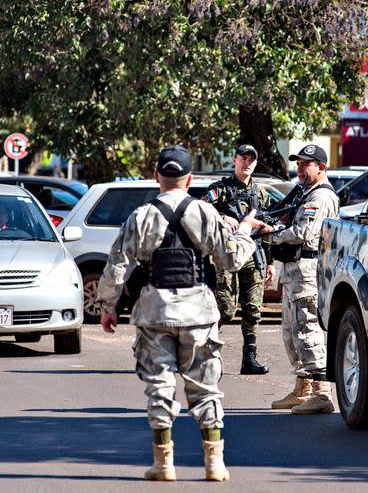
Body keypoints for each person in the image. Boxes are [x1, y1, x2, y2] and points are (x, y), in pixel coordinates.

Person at [97, 145, 271, 482]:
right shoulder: (205, 214)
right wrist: (247, 230)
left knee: (159, 388)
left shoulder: (141, 216)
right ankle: (214, 464)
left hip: (154, 313)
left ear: (156, 176)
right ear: (190, 178)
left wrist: (108, 306)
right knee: (206, 389)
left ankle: (163, 465)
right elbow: (232, 260)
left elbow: (117, 265)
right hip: (198, 314)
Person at [267, 144, 339, 414]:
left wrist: (271, 234)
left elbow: (303, 232)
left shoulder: (320, 197)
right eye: (298, 164)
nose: (300, 169)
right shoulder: (305, 193)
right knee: (291, 332)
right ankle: (303, 388)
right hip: (293, 271)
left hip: (307, 271)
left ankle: (322, 394)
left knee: (307, 330)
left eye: (306, 165)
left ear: (321, 167)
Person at [202, 144, 274, 375]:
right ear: (234, 160)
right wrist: (221, 216)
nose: (248, 163)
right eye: (243, 159)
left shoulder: (261, 193)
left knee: (253, 308)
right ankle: (200, 347)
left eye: (252, 160)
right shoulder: (220, 189)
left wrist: (270, 261)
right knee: (226, 309)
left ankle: (249, 359)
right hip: (227, 255)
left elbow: (267, 226)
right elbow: (200, 209)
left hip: (254, 255)